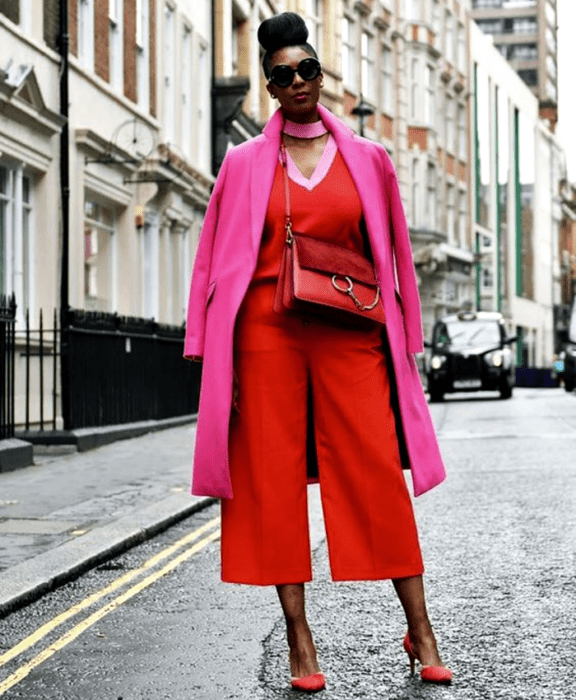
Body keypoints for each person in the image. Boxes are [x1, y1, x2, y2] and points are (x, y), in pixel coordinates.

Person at [184, 11, 452, 692]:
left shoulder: (369, 158)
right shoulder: (243, 164)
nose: (299, 81)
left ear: (321, 75)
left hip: (350, 334)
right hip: (265, 337)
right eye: (283, 75)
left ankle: (420, 628)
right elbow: (212, 258)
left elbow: (393, 256)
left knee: (375, 474)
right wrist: (208, 351)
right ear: (269, 87)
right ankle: (301, 642)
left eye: (309, 69)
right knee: (270, 485)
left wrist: (407, 342)